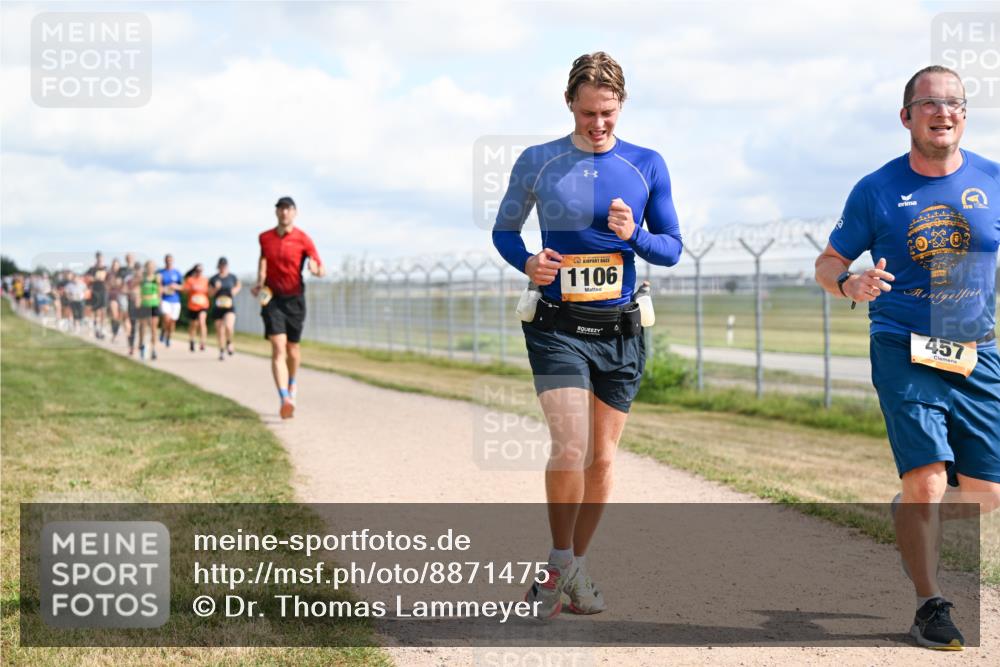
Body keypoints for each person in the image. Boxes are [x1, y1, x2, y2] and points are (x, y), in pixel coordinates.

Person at [815, 65, 1000, 651]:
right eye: (929, 103)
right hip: (904, 344)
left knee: (985, 495)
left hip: (977, 350)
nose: (942, 111)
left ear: (965, 116)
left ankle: (911, 507)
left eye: (954, 103)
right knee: (925, 483)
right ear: (906, 116)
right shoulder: (876, 189)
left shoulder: (994, 181)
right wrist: (850, 284)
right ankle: (929, 604)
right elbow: (828, 262)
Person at [492, 52, 682, 619]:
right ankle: (557, 562)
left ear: (621, 106)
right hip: (557, 327)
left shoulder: (647, 164)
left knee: (601, 459)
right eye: (587, 113)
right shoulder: (538, 161)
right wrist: (529, 262)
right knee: (570, 446)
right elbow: (505, 231)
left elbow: (671, 247)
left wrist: (636, 237)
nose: (597, 124)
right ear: (569, 103)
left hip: (621, 329)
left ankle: (572, 568)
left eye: (608, 113)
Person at [252, 196, 324, 419]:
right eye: (281, 209)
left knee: (293, 349)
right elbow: (263, 260)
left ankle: (292, 383)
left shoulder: (303, 239)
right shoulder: (265, 238)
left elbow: (321, 268)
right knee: (278, 347)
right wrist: (259, 281)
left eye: (288, 209)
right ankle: (284, 397)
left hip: (295, 300)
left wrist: (315, 269)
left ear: (295, 212)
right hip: (272, 298)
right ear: (276, 212)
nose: (284, 213)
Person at [209, 257, 241, 360]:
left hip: (229, 307)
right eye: (221, 266)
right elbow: (209, 293)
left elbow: (239, 285)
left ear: (227, 266)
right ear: (218, 266)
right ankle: (221, 351)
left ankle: (229, 342)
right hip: (218, 307)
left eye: (224, 265)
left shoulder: (232, 277)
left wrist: (234, 291)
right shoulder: (214, 279)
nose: (222, 267)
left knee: (229, 326)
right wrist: (216, 289)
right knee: (220, 331)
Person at [137, 260, 162, 361]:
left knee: (153, 328)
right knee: (143, 326)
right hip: (144, 304)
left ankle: (153, 349)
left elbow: (160, 291)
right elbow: (138, 290)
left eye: (152, 266)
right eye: (149, 266)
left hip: (154, 304)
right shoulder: (142, 278)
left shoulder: (157, 278)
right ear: (146, 267)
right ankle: (142, 344)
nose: (150, 268)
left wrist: (160, 302)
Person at [182, 263, 210, 352]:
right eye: (197, 271)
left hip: (203, 305)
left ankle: (203, 342)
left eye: (201, 271)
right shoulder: (190, 280)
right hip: (193, 305)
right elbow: (185, 290)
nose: (199, 272)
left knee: (202, 322)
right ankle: (192, 340)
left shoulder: (206, 280)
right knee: (193, 325)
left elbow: (210, 291)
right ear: (195, 271)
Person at [157, 254, 183, 347]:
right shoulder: (160, 272)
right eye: (167, 260)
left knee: (172, 322)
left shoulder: (177, 273)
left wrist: (176, 286)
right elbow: (157, 285)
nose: (169, 261)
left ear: (173, 261)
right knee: (167, 318)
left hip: (175, 300)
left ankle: (168, 336)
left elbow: (183, 287)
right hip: (165, 300)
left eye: (170, 260)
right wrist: (162, 290)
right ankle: (163, 331)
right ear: (165, 261)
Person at [86, 251, 109, 339]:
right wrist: (94, 279)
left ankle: (102, 328)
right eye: (98, 258)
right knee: (96, 311)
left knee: (103, 310)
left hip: (103, 290)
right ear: (96, 258)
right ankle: (97, 328)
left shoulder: (106, 268)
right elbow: (87, 278)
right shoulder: (92, 269)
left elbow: (109, 278)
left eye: (101, 258)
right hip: (95, 291)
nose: (100, 259)